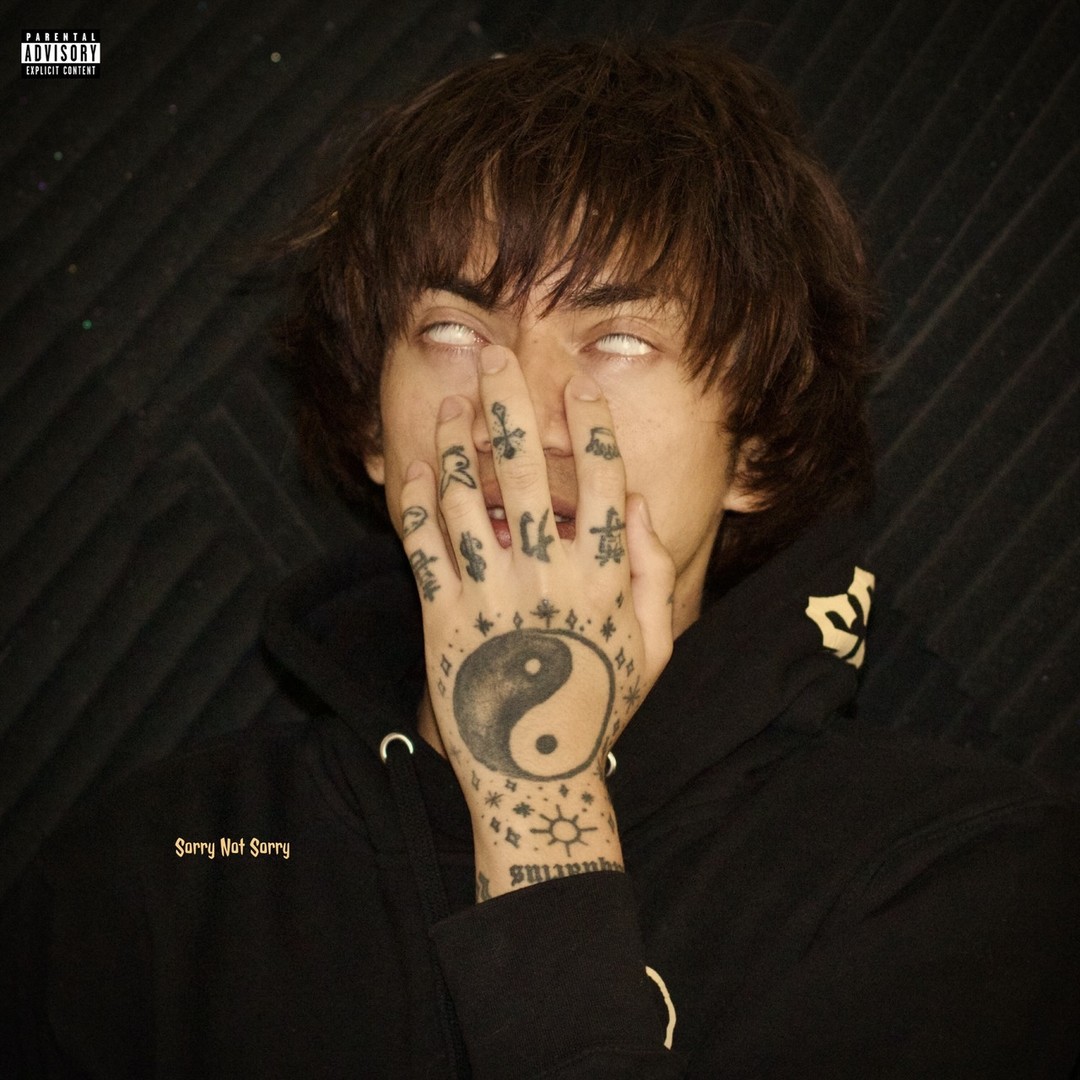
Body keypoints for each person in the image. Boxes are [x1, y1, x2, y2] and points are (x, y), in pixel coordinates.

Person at [3, 39, 1079, 1079]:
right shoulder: (158, 872)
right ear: (373, 425)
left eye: (621, 340)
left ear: (756, 447)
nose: (520, 408)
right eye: (455, 331)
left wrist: (539, 808)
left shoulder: (953, 874)